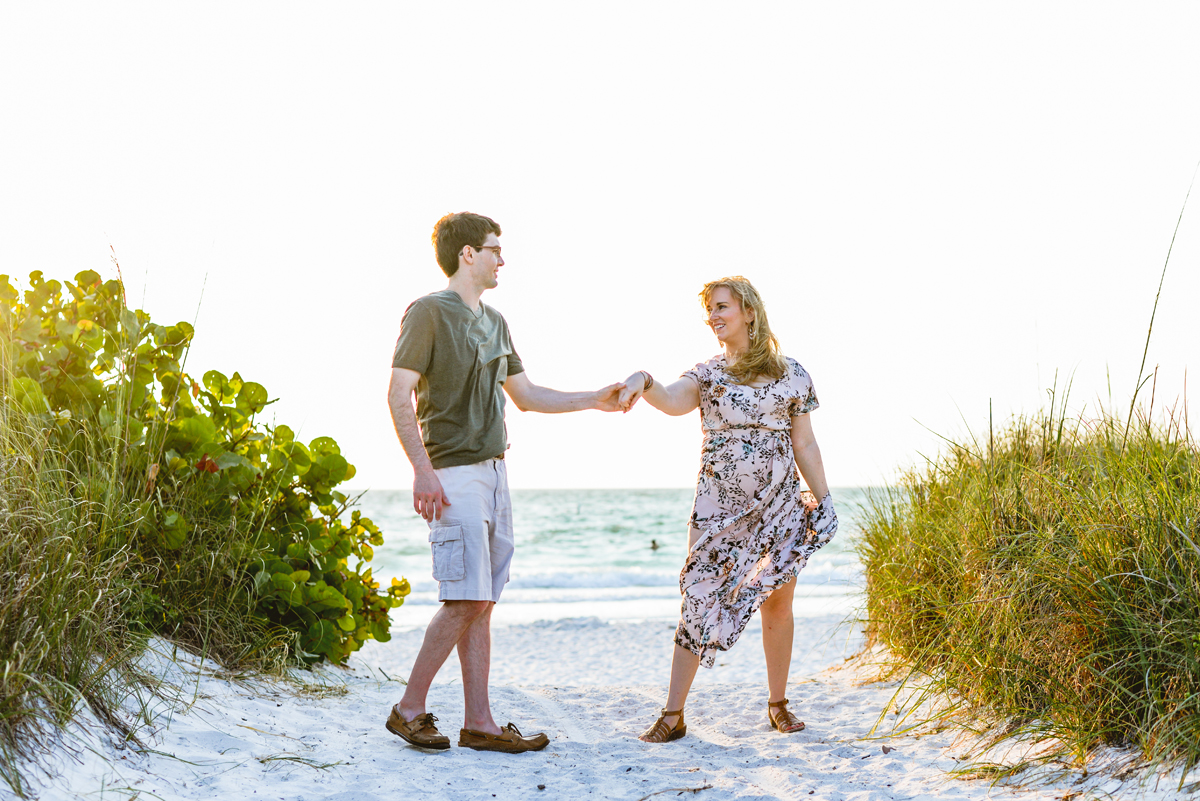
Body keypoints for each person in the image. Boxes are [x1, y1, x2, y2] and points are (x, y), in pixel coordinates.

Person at [386, 212, 624, 753]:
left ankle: (480, 723)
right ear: (466, 254)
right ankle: (409, 708)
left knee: (484, 599)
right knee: (466, 597)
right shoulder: (426, 312)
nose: (501, 258)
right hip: (452, 473)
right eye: (494, 249)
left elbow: (528, 395)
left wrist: (595, 399)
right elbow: (399, 393)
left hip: (495, 472)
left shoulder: (496, 321)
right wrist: (422, 470)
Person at [617, 276, 838, 743]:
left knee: (778, 601)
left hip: (779, 505)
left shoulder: (792, 374)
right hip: (718, 511)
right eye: (710, 311)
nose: (714, 317)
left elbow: (805, 442)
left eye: (722, 307)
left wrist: (824, 498)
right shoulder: (709, 374)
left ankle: (778, 703)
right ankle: (673, 714)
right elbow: (675, 401)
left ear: (750, 312)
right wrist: (645, 381)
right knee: (697, 597)